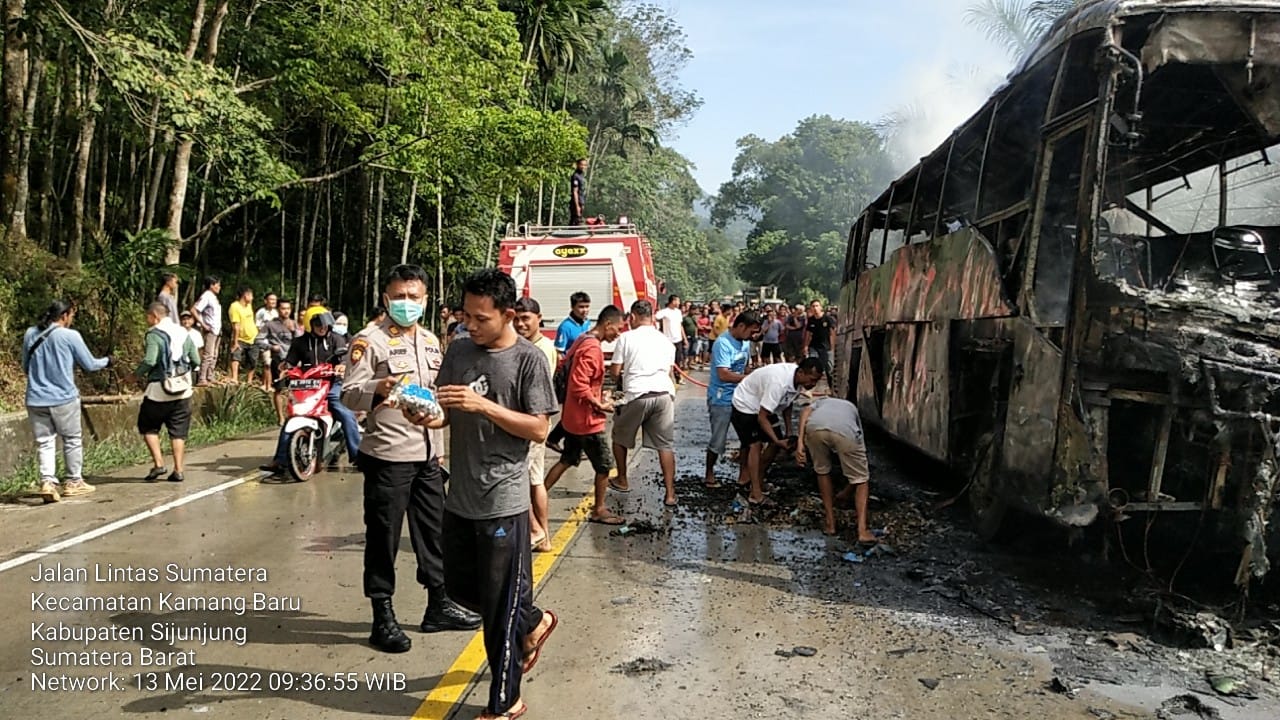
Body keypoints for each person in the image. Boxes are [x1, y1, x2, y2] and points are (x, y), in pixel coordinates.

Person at [409, 269, 558, 720]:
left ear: (507, 314)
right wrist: (423, 414)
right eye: (465, 316)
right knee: (458, 587)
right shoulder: (458, 351)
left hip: (504, 499)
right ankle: (534, 621)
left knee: (499, 613)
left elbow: (539, 427)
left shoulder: (528, 360)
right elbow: (445, 413)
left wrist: (486, 406)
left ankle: (505, 701)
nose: (469, 326)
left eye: (480, 318)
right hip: (462, 495)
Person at [340, 265, 480, 654]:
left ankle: (439, 603)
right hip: (388, 455)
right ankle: (382, 613)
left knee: (433, 533)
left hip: (429, 454)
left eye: (413, 297)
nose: (406, 303)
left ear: (425, 299)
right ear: (386, 299)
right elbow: (348, 394)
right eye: (398, 297)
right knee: (384, 537)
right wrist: (376, 387)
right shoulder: (369, 341)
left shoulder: (433, 341)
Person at [21, 300, 111, 502]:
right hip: (63, 398)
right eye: (71, 316)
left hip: (36, 398)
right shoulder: (70, 336)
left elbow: (26, 366)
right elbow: (89, 364)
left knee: (44, 442)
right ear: (64, 316)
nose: (71, 320)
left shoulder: (30, 333)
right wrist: (108, 361)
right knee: (71, 439)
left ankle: (47, 482)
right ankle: (73, 482)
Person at [543, 305, 624, 525]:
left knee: (567, 459)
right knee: (605, 466)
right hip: (587, 421)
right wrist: (600, 404)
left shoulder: (582, 339)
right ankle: (599, 509)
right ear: (607, 324)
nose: (618, 334)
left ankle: (538, 497)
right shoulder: (592, 349)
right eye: (617, 328)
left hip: (572, 417)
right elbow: (580, 385)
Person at [609, 300, 678, 507]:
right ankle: (670, 494)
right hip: (664, 394)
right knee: (665, 446)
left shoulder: (626, 338)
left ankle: (622, 479)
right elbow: (668, 371)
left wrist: (619, 383)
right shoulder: (666, 341)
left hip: (637, 394)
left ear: (633, 317)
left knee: (619, 437)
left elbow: (614, 372)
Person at [730, 358, 824, 505]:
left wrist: (787, 431)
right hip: (745, 404)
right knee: (756, 445)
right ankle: (755, 494)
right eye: (811, 380)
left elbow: (787, 403)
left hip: (764, 404)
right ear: (800, 372)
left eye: (816, 381)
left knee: (775, 445)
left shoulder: (799, 382)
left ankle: (758, 481)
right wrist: (777, 440)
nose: (812, 385)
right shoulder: (778, 383)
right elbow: (762, 418)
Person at [136, 302, 201, 483]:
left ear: (154, 316)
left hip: (158, 390)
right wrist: (187, 374)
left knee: (148, 426)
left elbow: (150, 360)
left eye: (148, 317)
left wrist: (134, 376)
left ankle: (158, 464)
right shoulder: (183, 332)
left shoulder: (154, 334)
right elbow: (196, 360)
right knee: (178, 431)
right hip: (183, 391)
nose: (147, 320)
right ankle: (178, 470)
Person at [513, 297, 558, 553]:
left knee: (523, 478)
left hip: (531, 422)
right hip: (528, 423)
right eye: (517, 319)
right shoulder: (526, 346)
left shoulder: (541, 350)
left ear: (538, 318)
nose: (520, 324)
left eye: (526, 319)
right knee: (533, 479)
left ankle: (538, 531)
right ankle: (543, 536)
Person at [796, 397, 875, 541]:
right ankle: (862, 531)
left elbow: (805, 412)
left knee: (822, 471)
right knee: (862, 480)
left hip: (815, 428)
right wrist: (847, 490)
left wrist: (800, 442)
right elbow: (859, 472)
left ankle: (830, 524)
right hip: (844, 431)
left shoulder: (821, 402)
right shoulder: (851, 408)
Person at [704, 311, 759, 490]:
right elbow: (724, 374)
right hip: (721, 398)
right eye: (751, 331)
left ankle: (744, 473)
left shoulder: (745, 343)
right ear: (741, 326)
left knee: (747, 437)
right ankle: (709, 472)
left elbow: (746, 366)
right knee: (719, 439)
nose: (752, 336)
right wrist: (747, 378)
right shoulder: (723, 343)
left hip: (741, 398)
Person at [259, 299, 298, 424]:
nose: (286, 311)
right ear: (278, 310)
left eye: (288, 308)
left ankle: (293, 414)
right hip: (279, 360)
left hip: (294, 361)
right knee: (279, 389)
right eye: (283, 308)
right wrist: (270, 347)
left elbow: (301, 341)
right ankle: (280, 417)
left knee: (296, 389)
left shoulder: (294, 324)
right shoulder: (271, 325)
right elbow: (258, 339)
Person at [192, 275, 222, 386]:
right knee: (208, 354)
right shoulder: (206, 296)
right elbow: (194, 309)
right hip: (210, 329)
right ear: (211, 285)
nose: (219, 287)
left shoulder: (214, 297)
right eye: (217, 285)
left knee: (214, 354)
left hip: (217, 330)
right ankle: (202, 378)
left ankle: (210, 376)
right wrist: (203, 324)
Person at [227, 286, 258, 385]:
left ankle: (249, 381)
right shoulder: (235, 306)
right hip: (240, 337)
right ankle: (234, 378)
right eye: (251, 295)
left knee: (253, 360)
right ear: (246, 295)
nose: (252, 298)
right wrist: (235, 342)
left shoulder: (249, 305)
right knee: (236, 356)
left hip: (253, 336)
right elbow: (236, 326)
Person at [802, 299, 835, 387]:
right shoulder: (811, 320)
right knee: (813, 365)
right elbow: (808, 334)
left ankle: (831, 387)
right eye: (813, 306)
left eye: (817, 306)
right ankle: (811, 387)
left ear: (821, 307)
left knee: (829, 369)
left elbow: (832, 333)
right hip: (814, 346)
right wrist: (805, 346)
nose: (815, 308)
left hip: (826, 347)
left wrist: (833, 347)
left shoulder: (828, 319)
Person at [653, 294, 685, 384]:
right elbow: (654, 318)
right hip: (668, 340)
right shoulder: (664, 312)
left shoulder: (678, 312)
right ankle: (668, 377)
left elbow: (680, 325)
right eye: (678, 301)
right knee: (668, 360)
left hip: (678, 339)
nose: (679, 303)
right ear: (673, 301)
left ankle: (678, 377)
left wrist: (684, 338)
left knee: (678, 360)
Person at [253, 292, 280, 391]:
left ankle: (266, 383)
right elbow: (257, 326)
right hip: (264, 341)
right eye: (271, 299)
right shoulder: (261, 312)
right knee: (267, 362)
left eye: (275, 300)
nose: (273, 302)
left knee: (272, 363)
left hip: (275, 341)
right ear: (266, 301)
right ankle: (267, 386)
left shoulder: (276, 313)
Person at [553, 291, 592, 357]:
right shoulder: (565, 327)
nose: (585, 310)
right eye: (581, 307)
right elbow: (559, 353)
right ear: (572, 307)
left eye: (587, 306)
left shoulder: (587, 322)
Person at [568, 157, 588, 226]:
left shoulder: (582, 175)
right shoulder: (575, 176)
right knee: (576, 221)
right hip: (576, 203)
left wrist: (582, 204)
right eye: (581, 165)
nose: (583, 167)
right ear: (577, 165)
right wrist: (577, 206)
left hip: (581, 201)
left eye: (585, 165)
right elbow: (575, 192)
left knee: (578, 220)